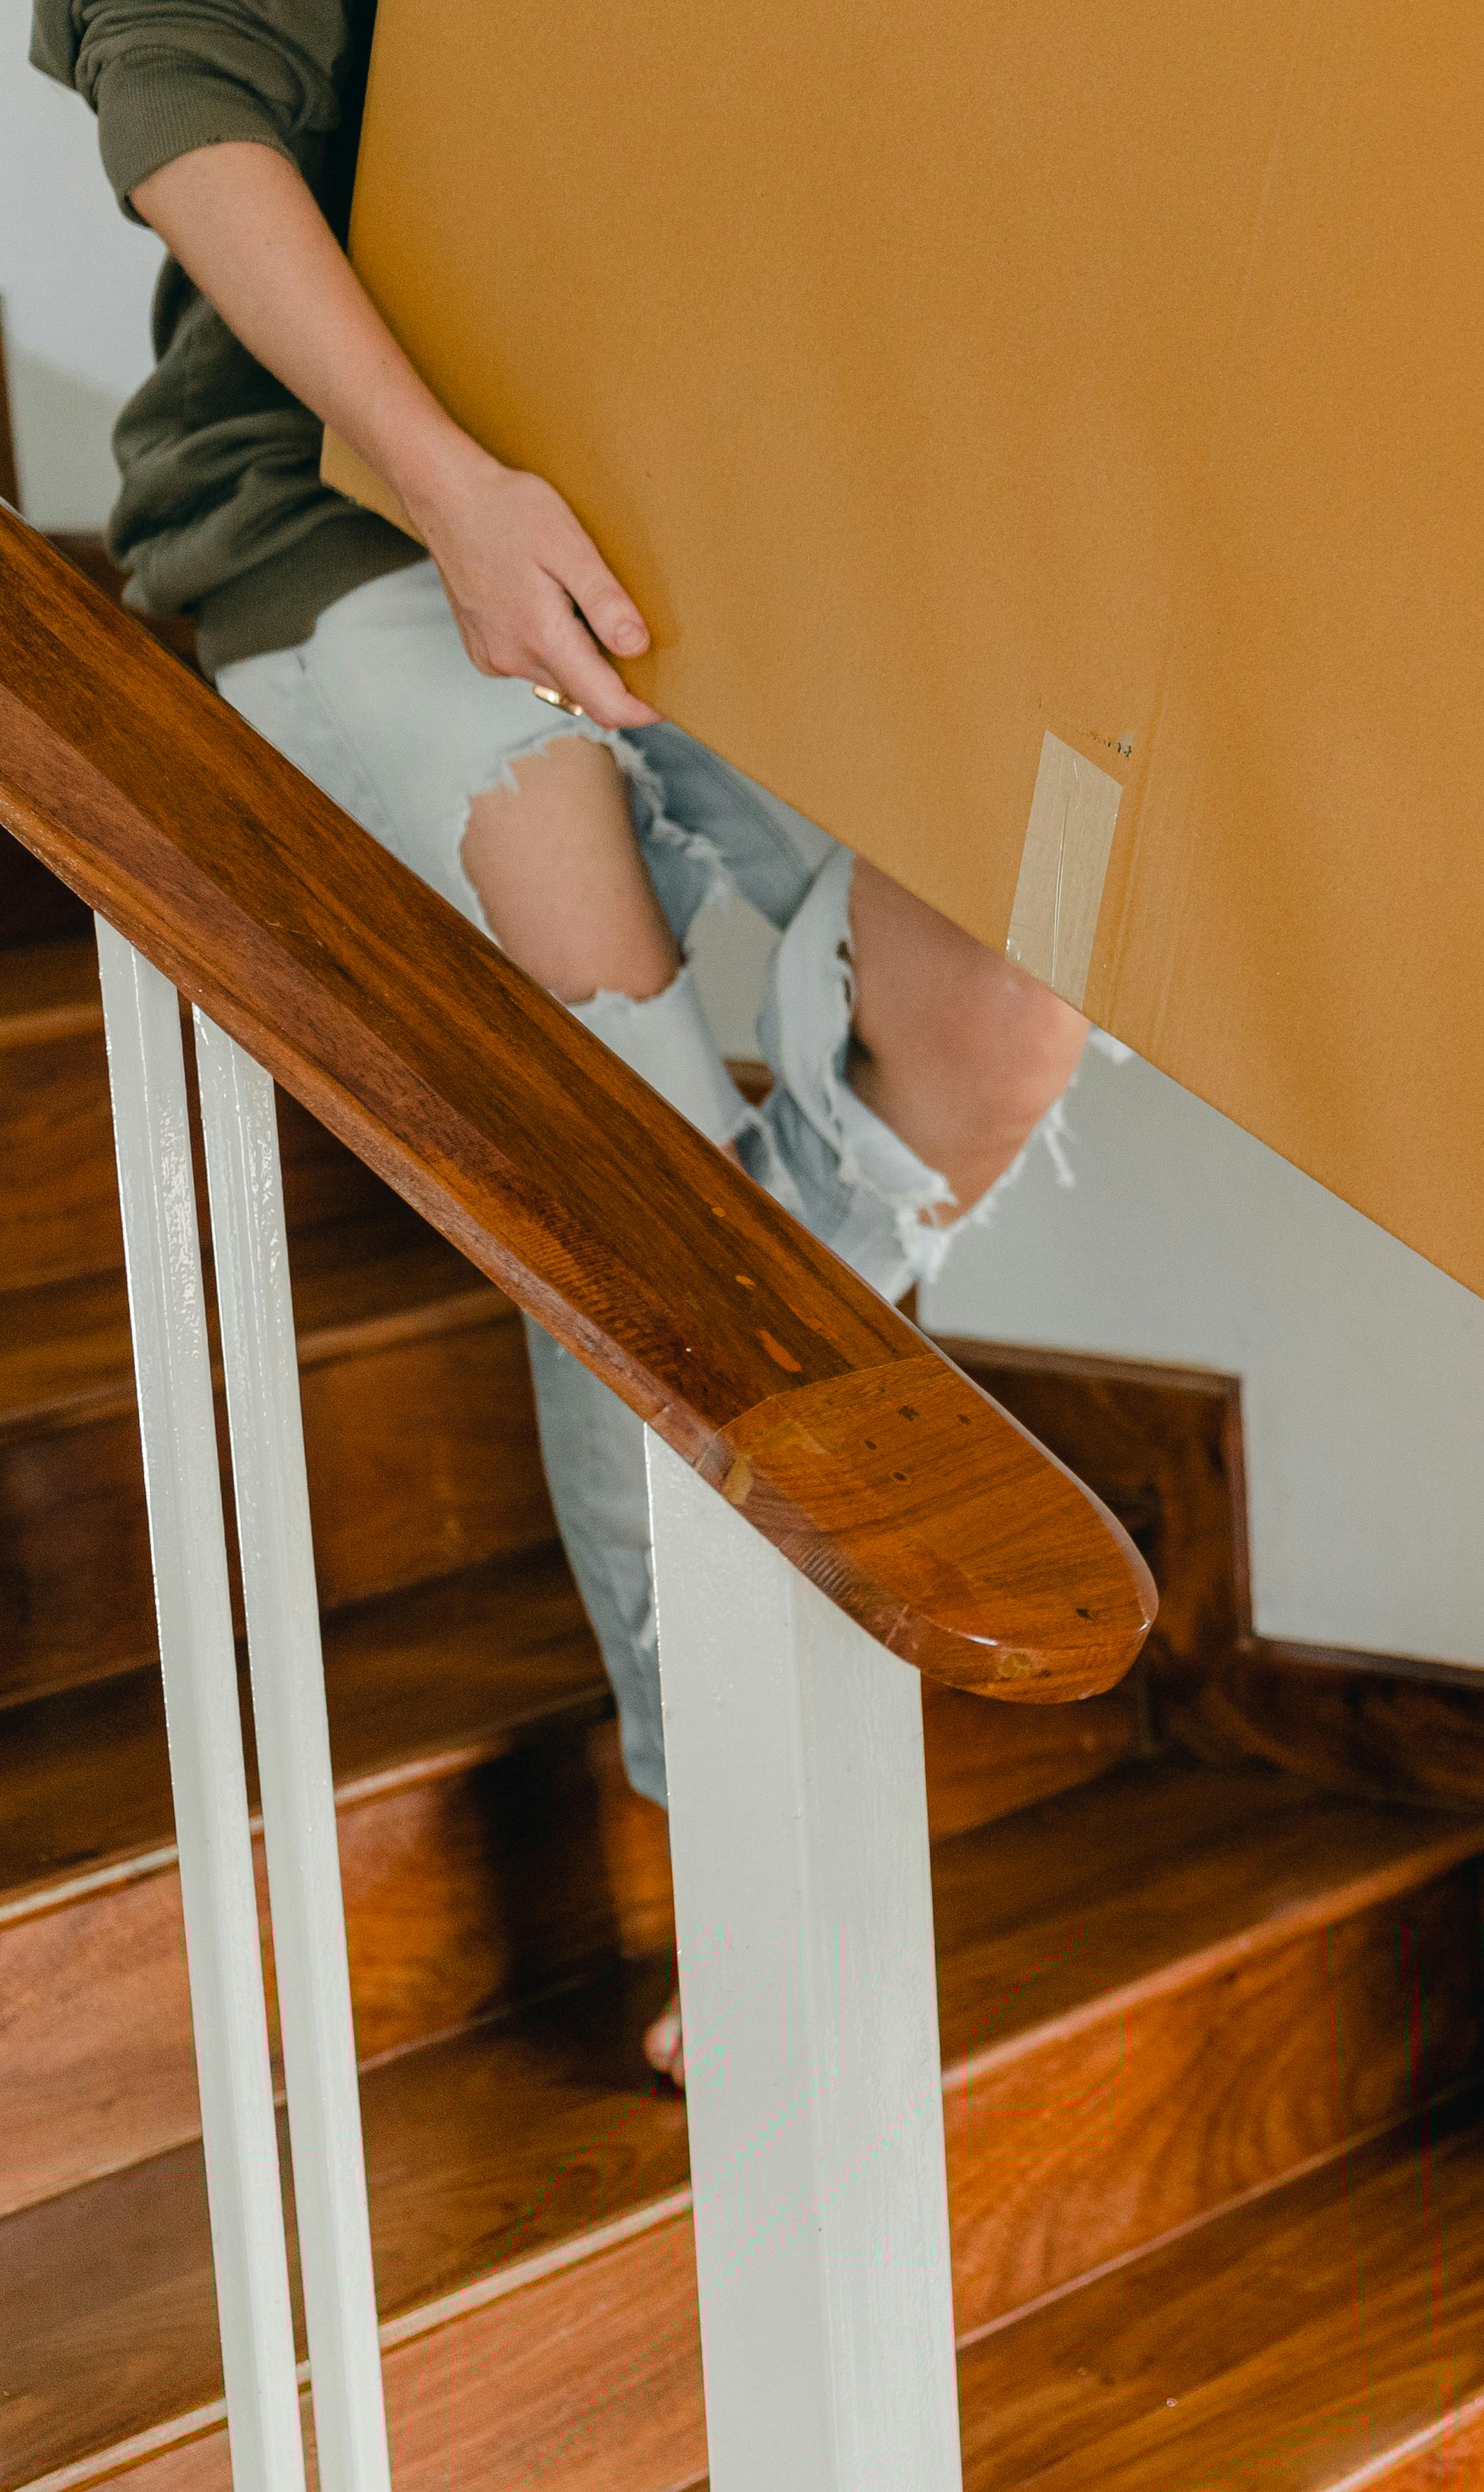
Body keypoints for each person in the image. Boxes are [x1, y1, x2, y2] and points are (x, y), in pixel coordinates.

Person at [34, 0, 1092, 2085]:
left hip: (703, 494)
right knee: (646, 1167)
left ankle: (745, 1419)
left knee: (1007, 1007)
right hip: (337, 503)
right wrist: (445, 483)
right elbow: (174, 106)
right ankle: (748, 1846)